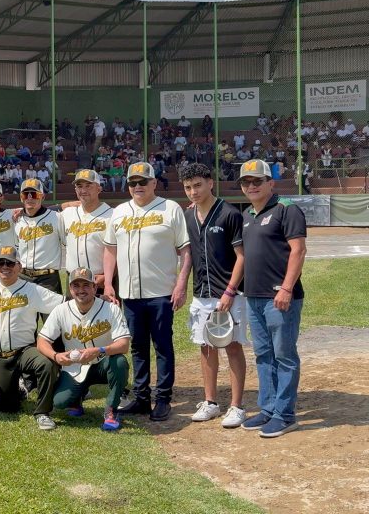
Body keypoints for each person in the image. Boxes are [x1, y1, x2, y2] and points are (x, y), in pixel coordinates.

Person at [103, 162, 190, 422]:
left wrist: (181, 284)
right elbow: (110, 249)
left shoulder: (170, 208)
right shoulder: (119, 212)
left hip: (162, 292)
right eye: (133, 182)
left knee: (162, 345)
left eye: (143, 182)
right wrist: (108, 283)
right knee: (138, 347)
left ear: (154, 183)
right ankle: (141, 397)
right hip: (130, 294)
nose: (137, 186)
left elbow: (185, 250)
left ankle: (162, 398)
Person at [237, 159, 307, 438]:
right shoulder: (246, 215)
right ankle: (268, 408)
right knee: (263, 355)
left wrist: (286, 288)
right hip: (254, 296)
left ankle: (285, 415)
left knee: (284, 355)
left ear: (270, 183)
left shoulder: (286, 209)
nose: (251, 186)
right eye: (246, 182)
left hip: (280, 297)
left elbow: (298, 251)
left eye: (257, 181)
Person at [179, 163, 249, 428]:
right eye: (188, 187)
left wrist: (230, 291)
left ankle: (237, 406)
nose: (193, 192)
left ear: (210, 183)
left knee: (232, 346)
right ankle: (211, 402)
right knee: (206, 346)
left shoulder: (229, 214)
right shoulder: (188, 215)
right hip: (202, 294)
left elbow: (242, 257)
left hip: (229, 294)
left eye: (198, 185)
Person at [0, 246, 65, 429]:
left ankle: (42, 412)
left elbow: (63, 304)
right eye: (1, 263)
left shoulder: (31, 289)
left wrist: (98, 299)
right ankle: (19, 389)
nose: (5, 267)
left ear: (19, 266)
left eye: (10, 263)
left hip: (24, 352)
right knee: (7, 407)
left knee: (46, 363)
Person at [38, 267, 131, 432]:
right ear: (70, 289)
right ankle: (77, 398)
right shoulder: (61, 310)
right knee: (60, 402)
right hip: (75, 367)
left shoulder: (111, 309)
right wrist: (56, 356)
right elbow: (42, 341)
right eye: (76, 285)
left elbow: (123, 345)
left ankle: (111, 409)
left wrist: (99, 350)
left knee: (120, 363)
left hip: (103, 363)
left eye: (86, 285)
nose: (81, 290)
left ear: (95, 288)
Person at [13, 178, 65, 295]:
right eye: (26, 195)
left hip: (48, 279)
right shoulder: (17, 220)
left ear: (42, 197)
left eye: (34, 194)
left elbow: (68, 244)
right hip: (23, 277)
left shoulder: (56, 218)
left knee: (51, 308)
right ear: (21, 198)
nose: (30, 198)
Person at [62, 170, 113, 288]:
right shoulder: (67, 214)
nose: (83, 190)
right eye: (79, 186)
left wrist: (108, 278)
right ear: (75, 190)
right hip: (73, 281)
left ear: (99, 189)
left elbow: (119, 252)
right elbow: (42, 214)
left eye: (88, 186)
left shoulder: (112, 215)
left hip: (100, 280)